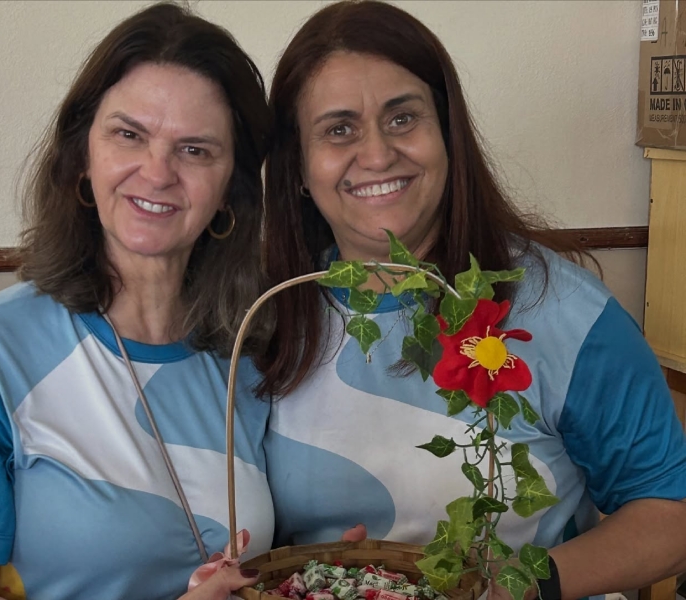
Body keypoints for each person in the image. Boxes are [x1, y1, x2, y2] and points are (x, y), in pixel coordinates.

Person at [257, 1, 686, 599]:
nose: (377, 155)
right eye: (339, 129)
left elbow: (670, 511)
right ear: (299, 167)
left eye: (403, 118)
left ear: (447, 134)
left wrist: (522, 587)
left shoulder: (565, 311)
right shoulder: (267, 317)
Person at [0, 3, 273, 599]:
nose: (157, 172)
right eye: (129, 135)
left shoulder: (252, 350)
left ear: (231, 189)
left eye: (195, 149)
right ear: (82, 157)